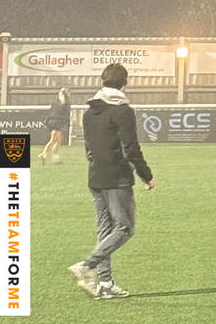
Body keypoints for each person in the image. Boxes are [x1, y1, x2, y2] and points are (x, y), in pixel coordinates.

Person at [67, 63, 155, 299]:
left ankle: (105, 283)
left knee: (106, 230)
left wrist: (96, 165)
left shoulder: (90, 112)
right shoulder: (123, 111)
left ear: (103, 81)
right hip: (117, 178)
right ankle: (87, 265)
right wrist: (146, 175)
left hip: (96, 176)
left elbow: (89, 147)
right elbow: (131, 148)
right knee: (125, 228)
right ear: (124, 83)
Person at [39, 88, 71, 164]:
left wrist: (47, 121)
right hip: (57, 123)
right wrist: (66, 123)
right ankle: (43, 154)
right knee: (53, 140)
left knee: (58, 141)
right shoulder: (66, 104)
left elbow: (49, 113)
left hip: (53, 123)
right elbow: (66, 115)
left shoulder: (55, 103)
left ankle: (54, 157)